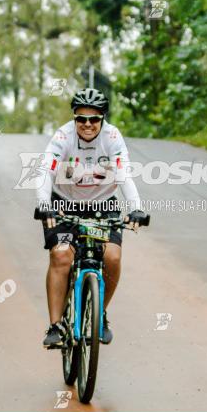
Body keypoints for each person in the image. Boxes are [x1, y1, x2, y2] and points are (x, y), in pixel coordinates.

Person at [36, 88, 148, 348]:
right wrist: (44, 204)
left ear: (102, 119)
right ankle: (55, 326)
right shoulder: (63, 136)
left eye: (94, 119)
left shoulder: (112, 136)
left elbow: (123, 174)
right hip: (63, 206)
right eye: (81, 119)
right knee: (61, 255)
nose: (87, 124)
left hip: (102, 206)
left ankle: (101, 313)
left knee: (112, 257)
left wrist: (136, 208)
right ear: (74, 118)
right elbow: (45, 171)